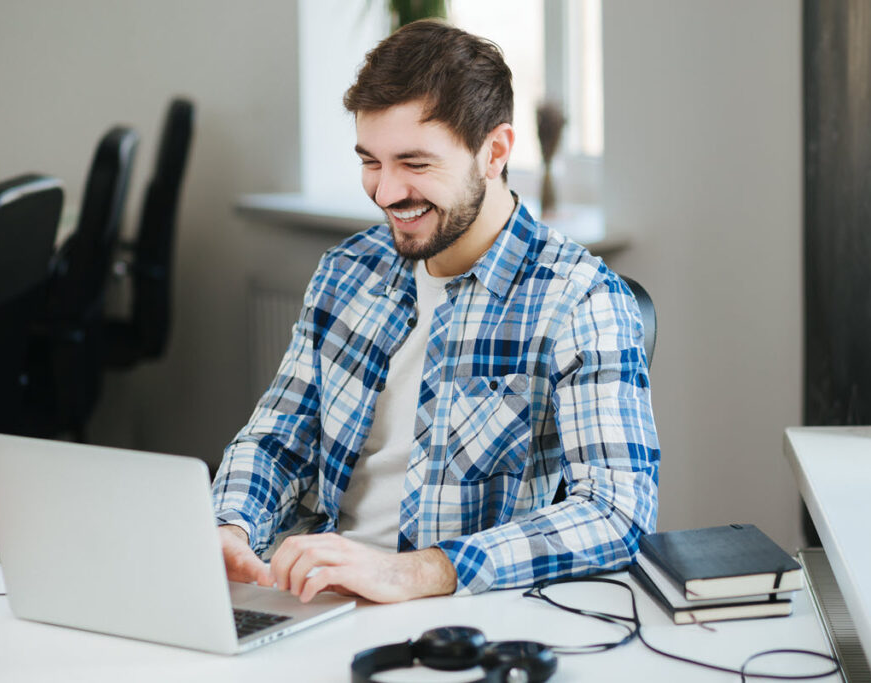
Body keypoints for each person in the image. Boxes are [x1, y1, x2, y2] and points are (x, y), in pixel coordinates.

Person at [212, 19, 659, 604]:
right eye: (371, 161)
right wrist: (230, 524)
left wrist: (414, 571)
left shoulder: (581, 300)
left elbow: (617, 513)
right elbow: (278, 440)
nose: (386, 192)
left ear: (494, 152)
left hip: (461, 618)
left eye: (415, 164)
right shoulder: (347, 271)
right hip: (313, 599)